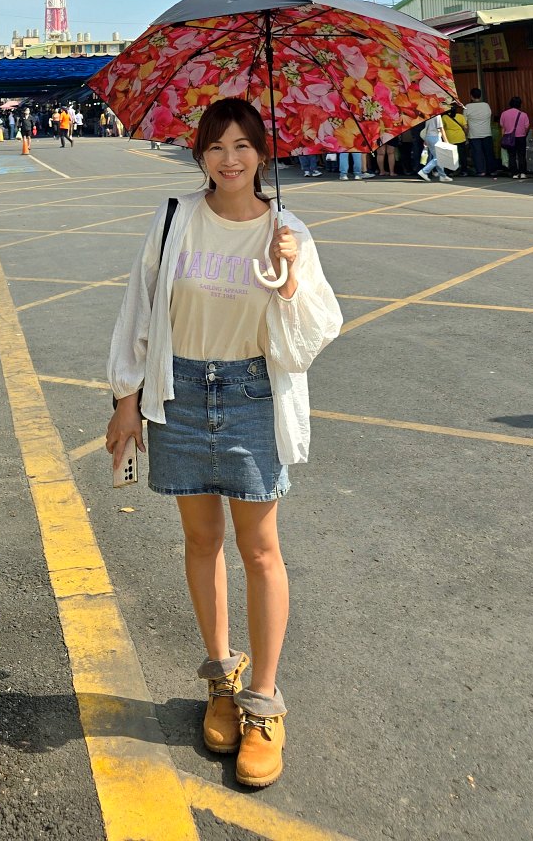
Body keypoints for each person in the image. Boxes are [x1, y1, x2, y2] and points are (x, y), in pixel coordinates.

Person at [105, 98, 341, 789]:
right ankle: (220, 675)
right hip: (177, 393)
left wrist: (290, 275)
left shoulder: (288, 228)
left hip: (250, 397)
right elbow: (139, 310)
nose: (229, 159)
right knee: (201, 541)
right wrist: (126, 401)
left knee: (261, 549)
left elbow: (310, 336)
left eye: (242, 145)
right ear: (198, 154)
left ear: (262, 153)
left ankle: (263, 702)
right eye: (215, 147)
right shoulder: (174, 217)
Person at [463, 88, 495, 178]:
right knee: (489, 153)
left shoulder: (467, 107)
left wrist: (466, 134)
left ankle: (481, 171)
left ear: (471, 96)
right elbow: (490, 116)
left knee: (477, 153)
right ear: (480, 96)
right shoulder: (486, 105)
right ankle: (491, 171)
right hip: (487, 133)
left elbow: (464, 123)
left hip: (474, 134)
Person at [499, 97, 530, 180]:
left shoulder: (504, 114)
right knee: (521, 155)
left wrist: (503, 137)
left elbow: (502, 127)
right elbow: (526, 127)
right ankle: (523, 173)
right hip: (521, 137)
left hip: (509, 137)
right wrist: (524, 133)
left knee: (512, 155)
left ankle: (514, 173)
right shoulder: (523, 114)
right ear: (520, 104)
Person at [417, 114, 453, 182]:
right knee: (439, 157)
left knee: (437, 157)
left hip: (428, 137)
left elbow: (426, 128)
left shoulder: (428, 114)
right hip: (435, 137)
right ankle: (424, 171)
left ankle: (442, 175)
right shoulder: (437, 116)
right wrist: (446, 141)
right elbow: (441, 128)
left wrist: (425, 139)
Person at [442, 102, 468, 175]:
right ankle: (464, 171)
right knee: (462, 155)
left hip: (450, 138)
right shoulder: (461, 116)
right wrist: (466, 135)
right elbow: (465, 128)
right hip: (460, 138)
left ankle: (450, 171)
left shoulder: (444, 117)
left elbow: (442, 128)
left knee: (450, 156)